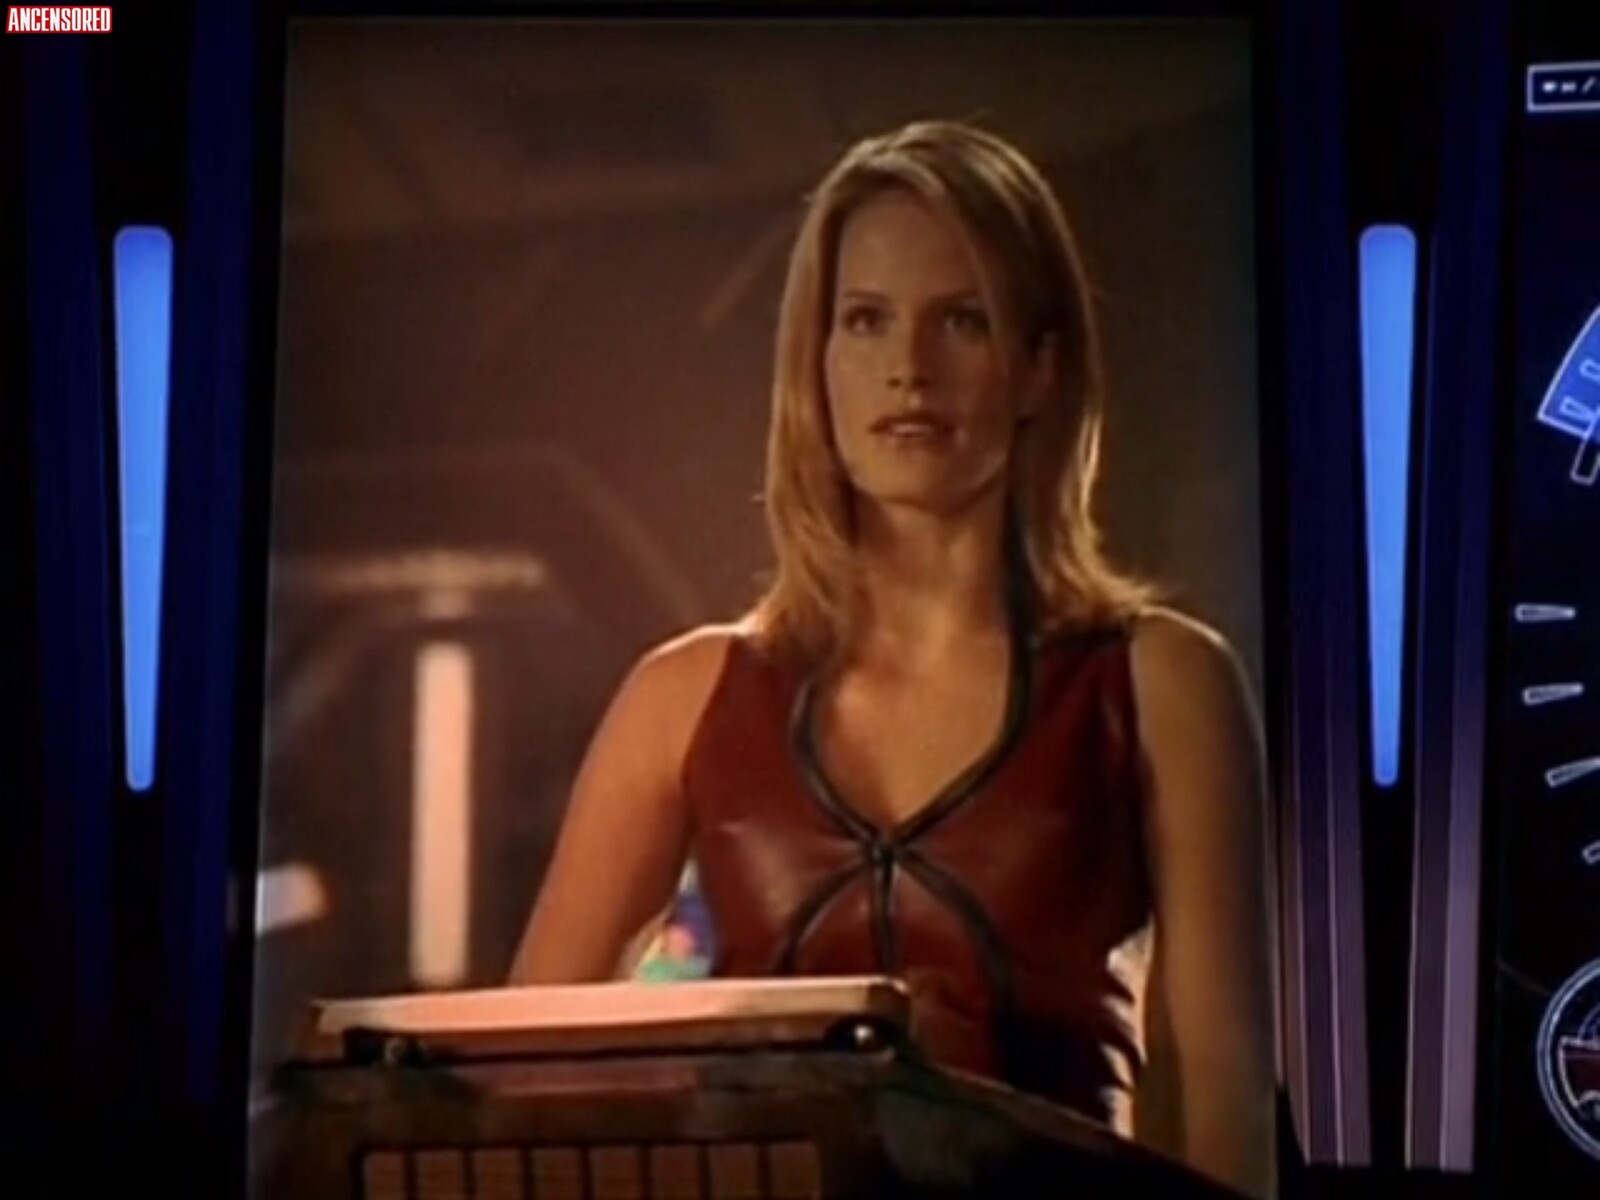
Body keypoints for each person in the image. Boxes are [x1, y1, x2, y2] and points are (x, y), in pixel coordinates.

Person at [509, 119, 1276, 1199]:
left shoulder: (1161, 684)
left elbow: (1224, 1104)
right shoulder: (682, 697)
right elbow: (513, 1076)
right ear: (817, 364)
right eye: (866, 321)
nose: (908, 370)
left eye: (962, 320)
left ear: (1039, 367)